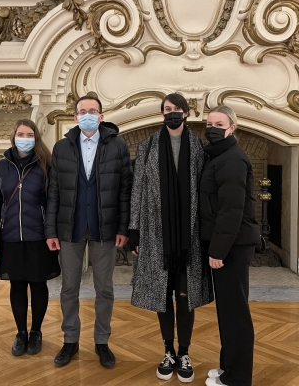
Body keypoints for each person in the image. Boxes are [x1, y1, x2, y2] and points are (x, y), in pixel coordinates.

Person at [128, 93, 213, 383]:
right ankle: (168, 351)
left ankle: (185, 352)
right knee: (162, 294)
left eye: (177, 109)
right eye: (167, 109)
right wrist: (134, 230)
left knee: (185, 296)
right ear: (162, 113)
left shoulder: (200, 147)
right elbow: (138, 190)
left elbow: (205, 192)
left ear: (186, 113)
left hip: (189, 235)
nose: (172, 113)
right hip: (156, 233)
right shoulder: (147, 146)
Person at [45, 94, 133, 369]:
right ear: (75, 117)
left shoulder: (118, 146)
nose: (87, 115)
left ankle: (102, 341)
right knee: (68, 287)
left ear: (101, 116)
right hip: (69, 228)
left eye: (92, 111)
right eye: (82, 111)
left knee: (104, 288)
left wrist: (123, 228)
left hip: (105, 228)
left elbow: (125, 192)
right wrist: (51, 230)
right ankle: (70, 339)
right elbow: (54, 192)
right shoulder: (61, 147)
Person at [200, 106, 260, 386]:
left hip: (232, 247)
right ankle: (228, 368)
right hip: (227, 245)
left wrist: (217, 251)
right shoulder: (220, 156)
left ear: (232, 127)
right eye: (209, 123)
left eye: (219, 124)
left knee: (235, 313)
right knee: (227, 311)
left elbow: (231, 210)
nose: (212, 128)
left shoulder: (232, 160)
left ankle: (237, 379)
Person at [0, 119, 60, 356]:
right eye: (20, 134)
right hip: (10, 236)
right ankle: (21, 332)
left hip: (38, 236)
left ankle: (36, 331)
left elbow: (52, 203)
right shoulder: (1, 166)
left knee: (38, 285)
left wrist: (53, 232)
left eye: (29, 135)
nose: (25, 138)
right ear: (13, 137)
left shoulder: (46, 164)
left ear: (36, 138)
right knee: (17, 285)